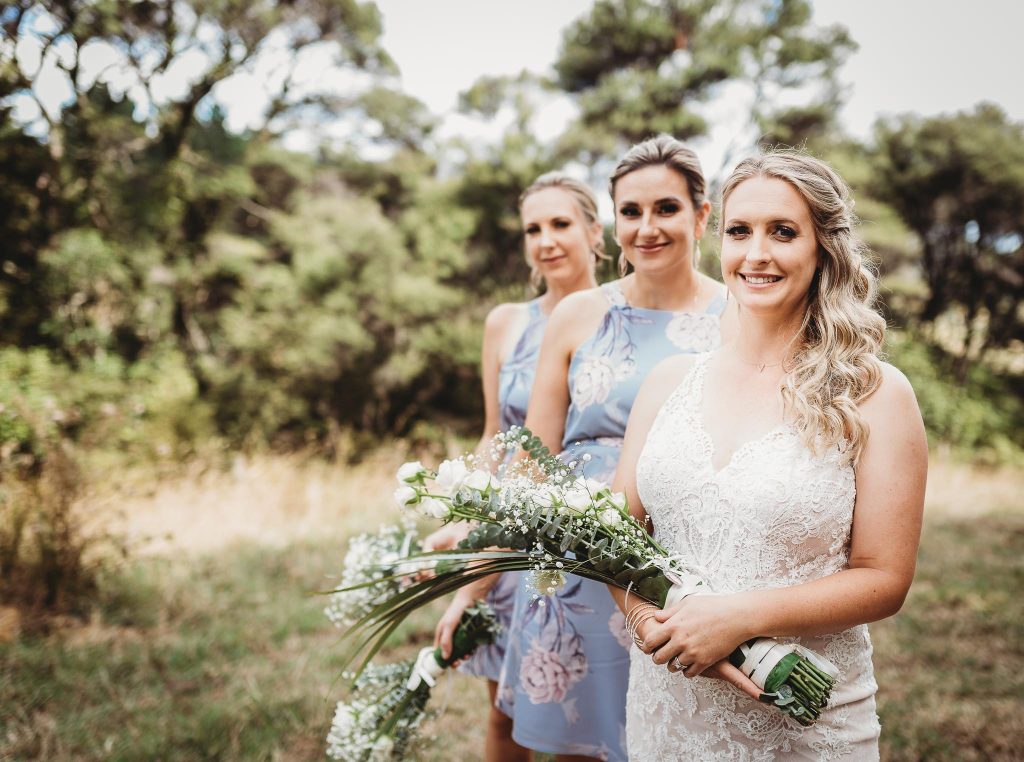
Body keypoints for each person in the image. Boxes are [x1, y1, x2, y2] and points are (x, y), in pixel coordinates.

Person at [612, 149, 927, 760]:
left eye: (782, 232)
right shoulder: (667, 382)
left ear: (823, 248)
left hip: (800, 729)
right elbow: (617, 541)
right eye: (739, 231)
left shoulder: (875, 394)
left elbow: (884, 579)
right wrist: (651, 625)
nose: (756, 253)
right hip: (666, 710)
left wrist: (738, 619)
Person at [486, 134, 736, 762]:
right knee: (582, 740)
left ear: (702, 216)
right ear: (614, 221)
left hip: (682, 560)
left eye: (667, 209)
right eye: (631, 211)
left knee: (676, 734)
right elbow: (530, 457)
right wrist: (513, 552)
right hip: (577, 561)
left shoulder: (738, 312)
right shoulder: (576, 315)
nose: (647, 227)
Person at [430, 171, 605, 762]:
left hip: (584, 539)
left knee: (577, 722)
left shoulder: (616, 319)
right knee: (504, 712)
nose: (546, 240)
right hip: (504, 536)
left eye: (560, 223)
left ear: (593, 230)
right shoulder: (506, 323)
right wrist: (469, 521)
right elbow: (492, 435)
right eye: (534, 228)